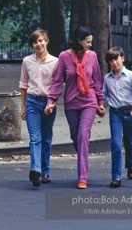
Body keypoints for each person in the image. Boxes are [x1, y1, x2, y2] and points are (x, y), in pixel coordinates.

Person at [45, 26, 105, 189]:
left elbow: (97, 81)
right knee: (75, 137)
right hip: (71, 103)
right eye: (88, 42)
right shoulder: (64, 57)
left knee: (83, 135)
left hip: (89, 102)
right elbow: (57, 82)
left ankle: (82, 177)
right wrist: (51, 101)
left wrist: (100, 102)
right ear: (79, 41)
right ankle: (83, 157)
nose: (90, 45)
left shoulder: (92, 56)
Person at [19, 29, 58, 187]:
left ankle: (45, 171)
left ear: (47, 41)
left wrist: (52, 104)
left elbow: (56, 87)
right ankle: (35, 170)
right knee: (35, 138)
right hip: (32, 102)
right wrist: (22, 106)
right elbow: (23, 84)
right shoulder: (27, 61)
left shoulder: (55, 62)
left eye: (41, 40)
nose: (38, 44)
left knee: (46, 139)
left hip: (48, 103)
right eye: (35, 42)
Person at [103, 46, 132, 188]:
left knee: (129, 141)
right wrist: (100, 105)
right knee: (115, 143)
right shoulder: (107, 79)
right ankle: (116, 176)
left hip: (130, 112)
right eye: (111, 60)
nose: (114, 62)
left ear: (122, 58)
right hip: (115, 113)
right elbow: (104, 95)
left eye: (116, 59)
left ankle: (130, 165)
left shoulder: (131, 76)